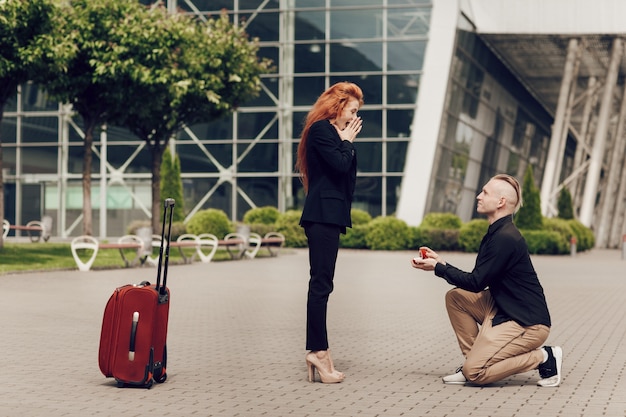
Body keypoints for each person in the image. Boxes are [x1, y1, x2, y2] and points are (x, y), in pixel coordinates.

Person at [410, 174, 563, 387]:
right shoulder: (497, 231)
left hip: (527, 323)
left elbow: (476, 282)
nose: (478, 196)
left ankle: (544, 357)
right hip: (502, 307)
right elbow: (479, 277)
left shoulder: (505, 238)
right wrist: (441, 263)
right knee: (456, 298)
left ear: (501, 202)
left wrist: (439, 268)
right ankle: (472, 362)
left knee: (476, 374)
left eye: (485, 193)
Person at [295, 82, 364, 383]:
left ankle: (319, 351)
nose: (354, 117)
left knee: (323, 283)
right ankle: (318, 353)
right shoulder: (322, 130)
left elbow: (345, 176)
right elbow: (339, 166)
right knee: (321, 284)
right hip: (322, 216)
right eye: (352, 110)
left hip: (329, 216)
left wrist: (344, 140)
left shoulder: (332, 134)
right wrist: (346, 142)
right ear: (337, 107)